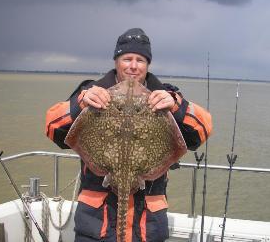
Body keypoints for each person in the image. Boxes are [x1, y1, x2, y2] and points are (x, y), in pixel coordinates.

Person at [45, 28, 212, 242]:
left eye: (140, 60)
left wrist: (177, 105)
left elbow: (202, 130)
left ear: (148, 64)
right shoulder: (92, 90)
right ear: (116, 61)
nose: (133, 66)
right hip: (97, 223)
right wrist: (82, 101)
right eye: (127, 58)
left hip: (147, 226)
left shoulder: (165, 94)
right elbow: (52, 126)